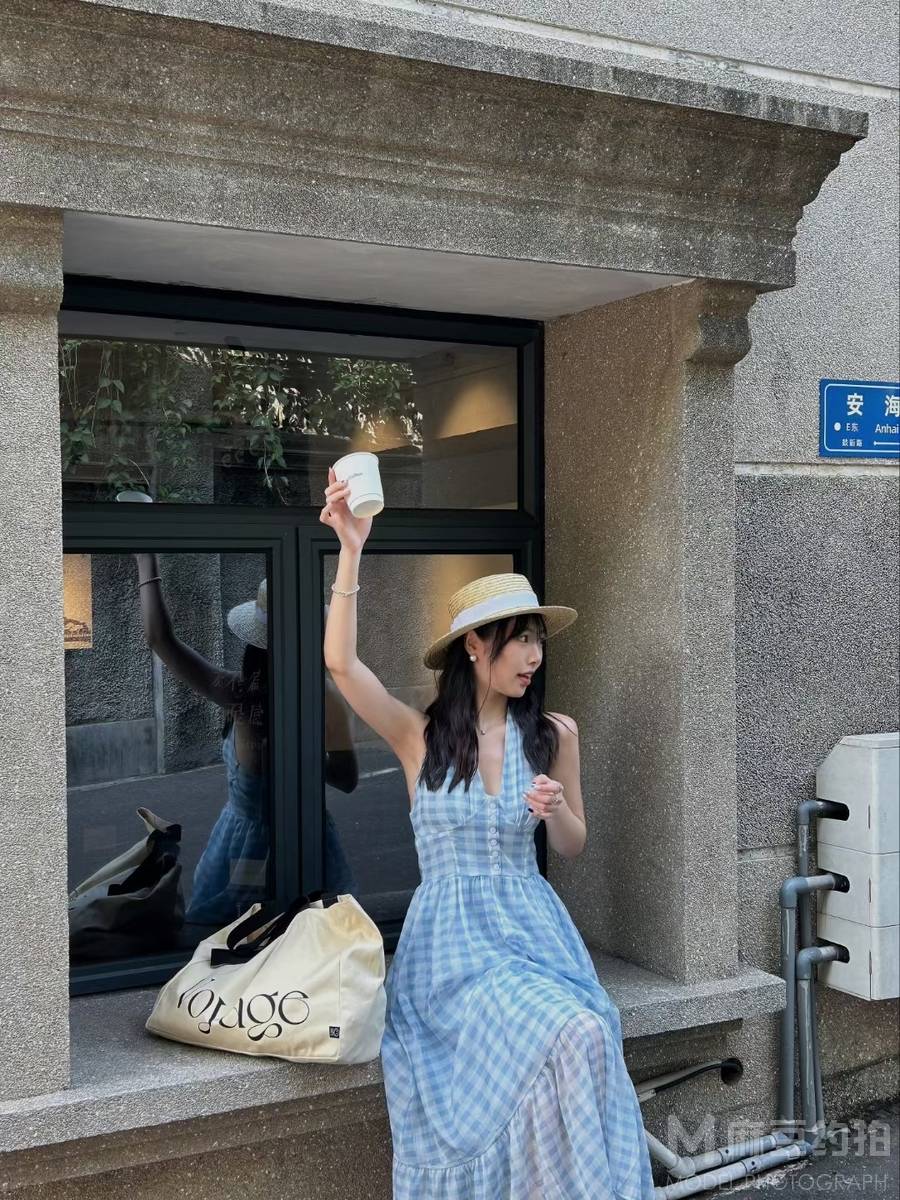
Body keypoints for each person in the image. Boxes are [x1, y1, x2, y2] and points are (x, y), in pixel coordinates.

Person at [320, 467, 656, 1199]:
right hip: (452, 953)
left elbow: (572, 845)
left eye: (538, 641)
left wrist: (554, 806)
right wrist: (351, 548)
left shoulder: (553, 735)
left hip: (533, 936)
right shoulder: (420, 737)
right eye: (519, 640)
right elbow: (341, 665)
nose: (534, 656)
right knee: (558, 1038)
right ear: (474, 645)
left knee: (582, 1033)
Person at [133, 552, 358, 930]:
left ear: (252, 645)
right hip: (304, 835)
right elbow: (346, 778)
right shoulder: (320, 697)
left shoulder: (239, 694)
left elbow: (162, 641)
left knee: (235, 940)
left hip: (255, 839)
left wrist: (146, 560)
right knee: (309, 938)